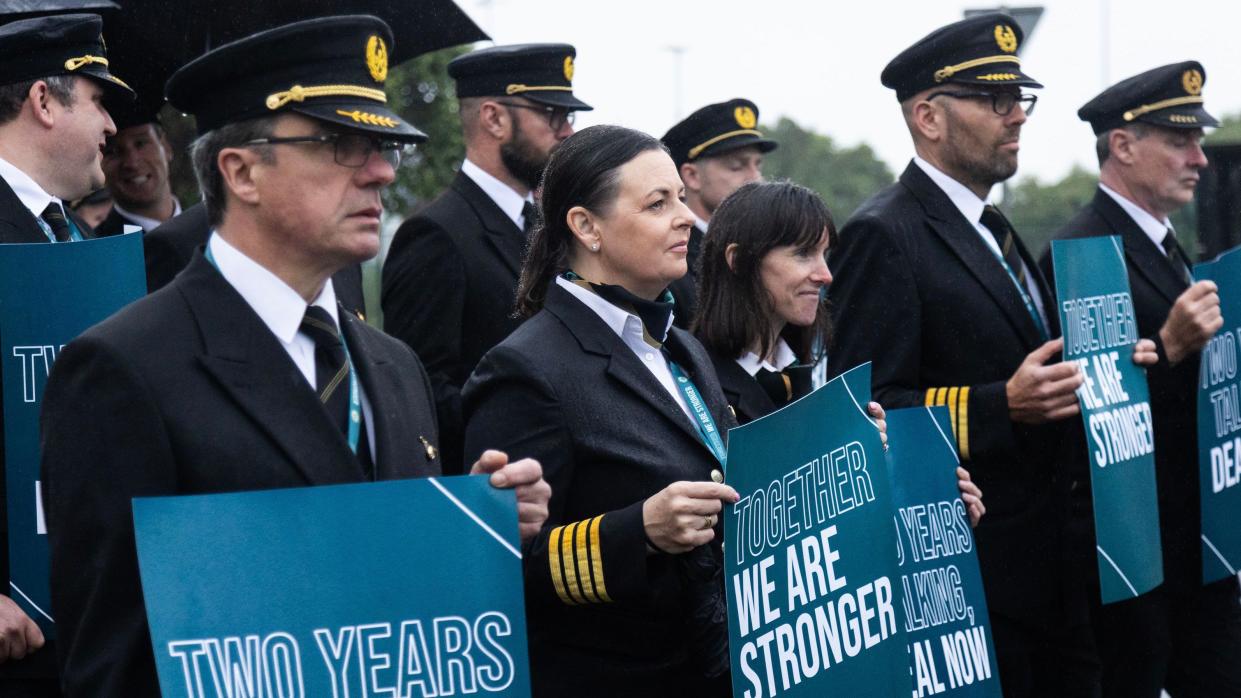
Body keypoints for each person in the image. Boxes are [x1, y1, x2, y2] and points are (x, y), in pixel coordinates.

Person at [39, 17, 550, 697]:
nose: (380, 172)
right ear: (241, 170)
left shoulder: (393, 366)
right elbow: (110, 664)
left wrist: (470, 522)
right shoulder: (121, 367)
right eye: (340, 144)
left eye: (383, 146)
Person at [824, 14, 1154, 696]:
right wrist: (1003, 404)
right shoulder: (882, 233)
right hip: (977, 579)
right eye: (994, 100)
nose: (1016, 118)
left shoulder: (992, 224)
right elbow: (868, 410)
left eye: (1019, 100)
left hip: (1059, 567)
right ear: (928, 117)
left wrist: (1111, 363)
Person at [463, 124, 737, 696]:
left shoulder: (681, 346)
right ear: (586, 226)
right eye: (658, 203)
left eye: (681, 201)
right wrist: (637, 531)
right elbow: (498, 570)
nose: (685, 217)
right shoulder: (524, 368)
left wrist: (847, 444)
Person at [1040, 61, 1240, 697]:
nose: (1200, 160)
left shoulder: (1164, 245)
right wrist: (1169, 349)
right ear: (1122, 145)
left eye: (1199, 142)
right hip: (1134, 558)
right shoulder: (1081, 251)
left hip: (1196, 542)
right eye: (1180, 141)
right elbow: (1080, 415)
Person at [693, 179, 984, 526]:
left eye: (824, 254)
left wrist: (931, 497)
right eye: (803, 253)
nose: (825, 275)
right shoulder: (693, 382)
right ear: (739, 261)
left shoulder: (804, 382)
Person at [382, 43, 591, 474]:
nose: (566, 131)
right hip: (493, 483)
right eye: (552, 115)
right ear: (494, 118)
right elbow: (422, 390)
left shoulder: (543, 226)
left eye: (569, 117)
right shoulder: (436, 234)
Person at [0, 13, 132, 696]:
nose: (112, 127)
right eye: (99, 100)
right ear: (43, 102)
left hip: (79, 609)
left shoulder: (70, 238)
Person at [660, 98, 776, 328]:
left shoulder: (757, 251)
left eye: (758, 165)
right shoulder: (672, 261)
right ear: (692, 176)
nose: (756, 178)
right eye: (737, 166)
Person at [94, 94, 181, 236]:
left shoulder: (214, 230)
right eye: (113, 151)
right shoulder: (99, 251)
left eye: (141, 143)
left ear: (166, 147)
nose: (132, 163)